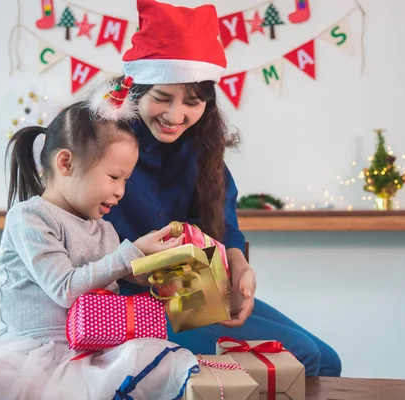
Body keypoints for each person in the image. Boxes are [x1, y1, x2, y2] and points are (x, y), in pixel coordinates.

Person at [103, 0, 342, 377]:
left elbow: (225, 226)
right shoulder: (105, 146)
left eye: (192, 102)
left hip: (194, 293)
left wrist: (240, 267)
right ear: (135, 91)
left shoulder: (203, 148)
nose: (175, 115)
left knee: (327, 361)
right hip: (127, 304)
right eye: (162, 98)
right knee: (305, 359)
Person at [0, 96, 198, 400]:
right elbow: (66, 288)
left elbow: (106, 283)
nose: (120, 191)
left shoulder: (104, 229)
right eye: (113, 177)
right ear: (66, 163)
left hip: (89, 349)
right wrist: (130, 254)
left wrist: (154, 275)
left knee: (155, 363)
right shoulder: (30, 217)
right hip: (28, 354)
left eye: (126, 180)